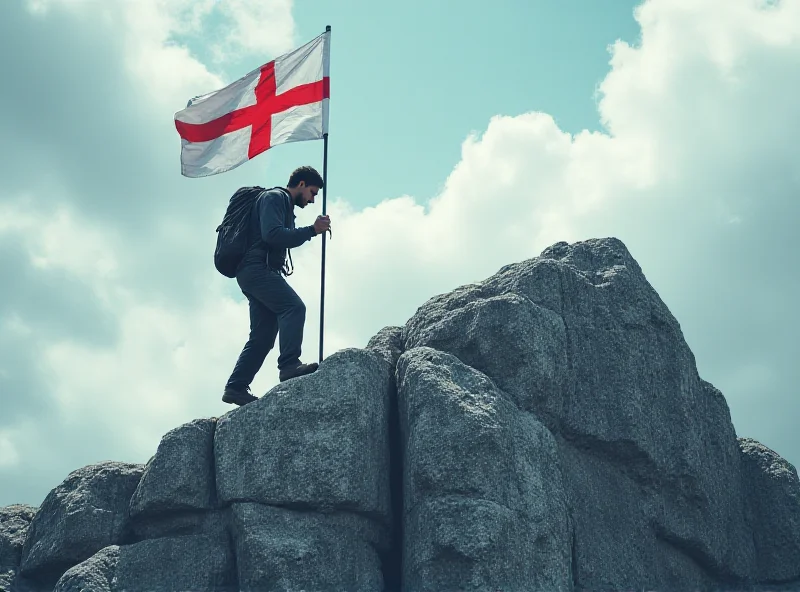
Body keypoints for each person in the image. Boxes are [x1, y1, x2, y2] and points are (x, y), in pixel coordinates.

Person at [222, 165, 332, 406]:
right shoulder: (275, 197)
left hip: (253, 272)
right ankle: (289, 365)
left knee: (263, 335)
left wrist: (309, 231)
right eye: (313, 192)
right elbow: (273, 235)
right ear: (301, 184)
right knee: (293, 308)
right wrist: (313, 230)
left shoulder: (282, 203)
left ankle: (236, 387)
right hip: (257, 269)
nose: (313, 200)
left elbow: (280, 236)